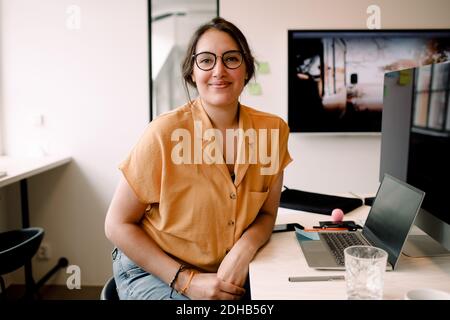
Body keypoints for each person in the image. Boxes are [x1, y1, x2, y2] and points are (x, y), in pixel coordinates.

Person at [104, 17, 292, 300]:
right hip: (154, 269)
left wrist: (244, 249)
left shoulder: (273, 131)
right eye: (206, 60)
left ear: (247, 69)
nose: (219, 70)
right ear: (193, 72)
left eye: (231, 59)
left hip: (222, 272)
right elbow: (117, 224)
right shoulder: (163, 133)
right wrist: (186, 281)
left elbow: (266, 215)